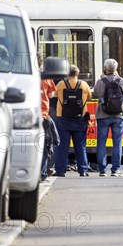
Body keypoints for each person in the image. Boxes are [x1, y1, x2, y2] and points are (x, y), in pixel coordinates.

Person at [54, 65, 92, 177]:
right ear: (77, 73)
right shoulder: (84, 85)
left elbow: (54, 94)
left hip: (63, 118)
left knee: (62, 146)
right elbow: (89, 97)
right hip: (80, 118)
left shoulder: (61, 84)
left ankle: (60, 170)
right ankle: (83, 170)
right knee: (80, 145)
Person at [94, 59, 123, 177]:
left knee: (101, 142)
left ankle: (102, 170)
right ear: (116, 69)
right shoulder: (122, 82)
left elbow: (96, 93)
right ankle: (115, 170)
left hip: (103, 115)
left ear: (105, 69)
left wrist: (102, 77)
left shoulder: (100, 81)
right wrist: (118, 77)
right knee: (117, 143)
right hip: (119, 115)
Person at [40, 54, 59, 182]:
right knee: (45, 145)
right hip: (43, 114)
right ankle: (43, 172)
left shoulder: (24, 75)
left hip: (25, 114)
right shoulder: (46, 78)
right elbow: (52, 95)